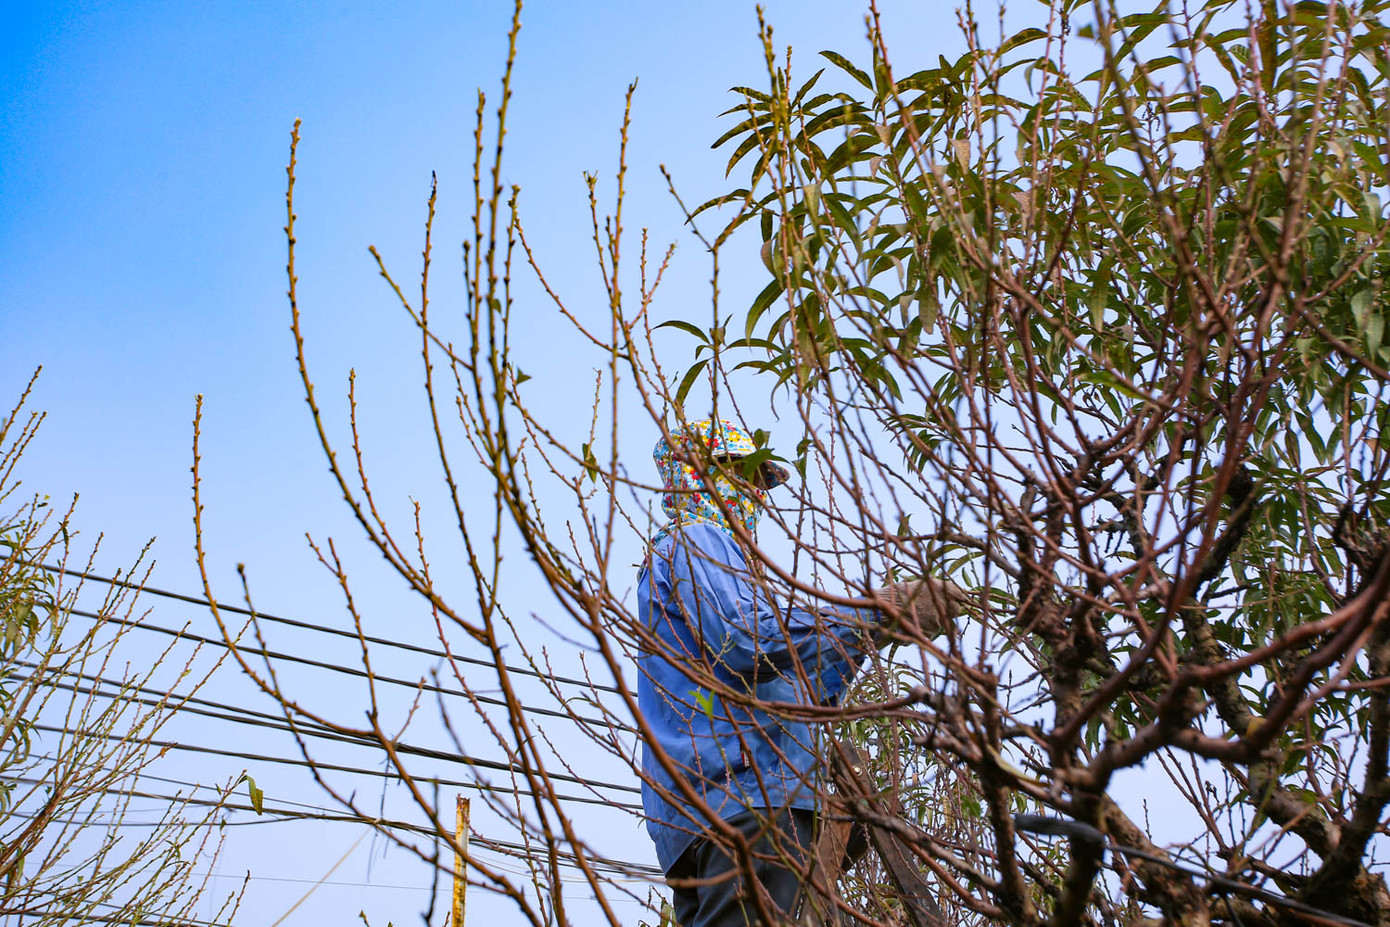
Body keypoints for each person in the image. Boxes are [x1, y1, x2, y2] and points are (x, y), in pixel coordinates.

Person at [635, 419, 955, 927]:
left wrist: (872, 631)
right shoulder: (698, 540)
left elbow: (798, 685)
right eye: (748, 477)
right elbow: (747, 641)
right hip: (743, 792)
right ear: (702, 475)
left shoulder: (698, 563)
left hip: (697, 811)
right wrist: (874, 612)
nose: (760, 496)